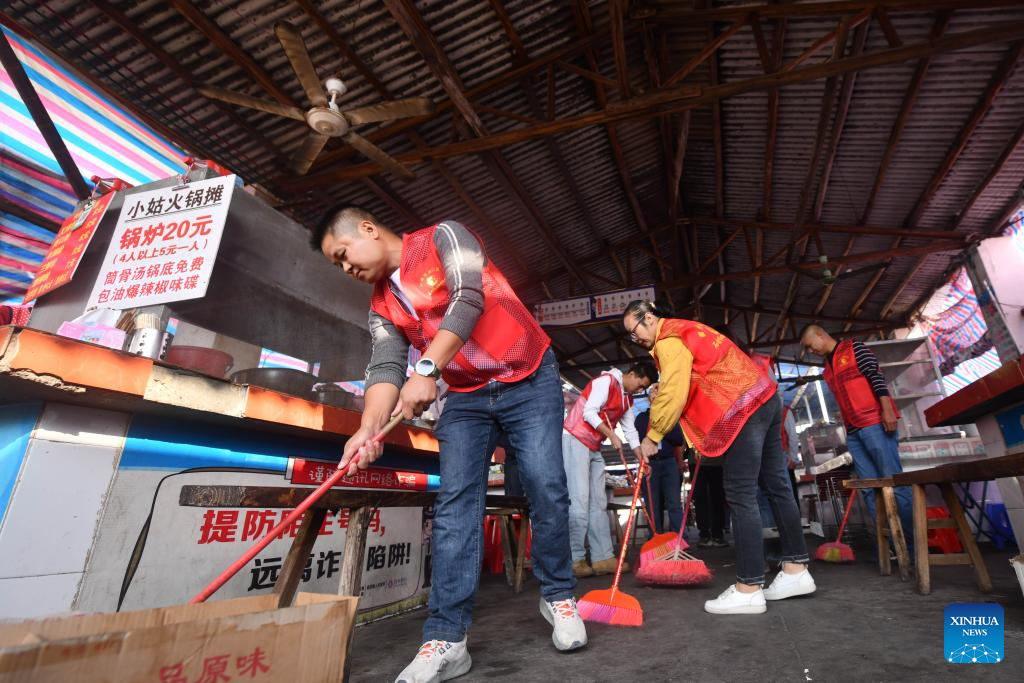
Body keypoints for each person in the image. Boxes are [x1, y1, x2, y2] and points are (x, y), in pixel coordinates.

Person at [312, 206, 585, 683]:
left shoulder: (443, 237)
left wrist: (426, 370)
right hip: (465, 395)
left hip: (528, 376)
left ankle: (559, 595)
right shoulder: (381, 306)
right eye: (337, 266)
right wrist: (368, 427)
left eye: (343, 254)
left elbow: (468, 298)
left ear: (368, 230)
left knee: (546, 484)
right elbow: (384, 367)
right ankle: (447, 638)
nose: (346, 269)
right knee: (457, 504)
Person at [623, 301, 815, 615]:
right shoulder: (687, 329)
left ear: (650, 318)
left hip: (741, 410)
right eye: (631, 336)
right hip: (764, 398)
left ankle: (749, 587)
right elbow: (697, 376)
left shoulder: (667, 340)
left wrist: (652, 435)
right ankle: (797, 569)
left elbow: (674, 391)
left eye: (635, 330)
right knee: (777, 486)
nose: (638, 338)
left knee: (740, 494)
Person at [800, 324, 913, 549]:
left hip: (875, 424)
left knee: (894, 482)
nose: (811, 351)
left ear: (820, 334)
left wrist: (887, 410)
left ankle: (912, 545)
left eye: (810, 346)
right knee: (869, 489)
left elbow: (876, 378)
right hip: (853, 431)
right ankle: (890, 547)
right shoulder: (827, 370)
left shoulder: (855, 349)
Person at [562, 362, 656, 576]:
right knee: (579, 500)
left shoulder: (626, 398)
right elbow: (589, 412)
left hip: (593, 445)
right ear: (631, 374)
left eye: (644, 389)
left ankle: (602, 557)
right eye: (640, 385)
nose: (640, 391)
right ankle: (574, 559)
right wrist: (611, 435)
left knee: (598, 502)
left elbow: (630, 431)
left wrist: (641, 458)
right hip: (574, 439)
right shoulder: (606, 382)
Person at [634, 383, 685, 534]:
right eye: (653, 394)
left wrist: (661, 426)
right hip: (650, 464)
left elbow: (678, 440)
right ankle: (656, 539)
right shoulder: (641, 418)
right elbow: (638, 440)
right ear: (649, 398)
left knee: (674, 503)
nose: (656, 397)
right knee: (652, 504)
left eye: (660, 394)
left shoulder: (671, 417)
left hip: (669, 462)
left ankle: (679, 539)